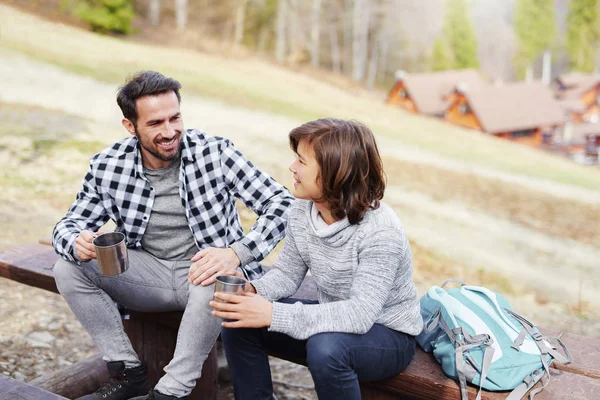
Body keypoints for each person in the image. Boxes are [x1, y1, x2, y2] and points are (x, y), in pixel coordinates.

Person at [51, 70, 294, 400]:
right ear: (130, 126)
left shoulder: (216, 154)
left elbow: (282, 203)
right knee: (66, 267)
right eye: (155, 124)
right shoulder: (108, 166)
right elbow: (67, 225)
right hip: (146, 275)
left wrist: (237, 251)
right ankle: (127, 371)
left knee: (221, 276)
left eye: (175, 118)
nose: (169, 132)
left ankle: (169, 393)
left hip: (205, 277)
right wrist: (75, 241)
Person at [211, 118, 424, 400]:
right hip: (331, 321)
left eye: (301, 161)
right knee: (241, 320)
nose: (292, 167)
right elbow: (287, 274)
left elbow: (360, 315)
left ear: (335, 171)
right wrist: (253, 291)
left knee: (326, 349)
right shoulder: (302, 210)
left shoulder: (380, 231)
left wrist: (275, 314)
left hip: (388, 336)